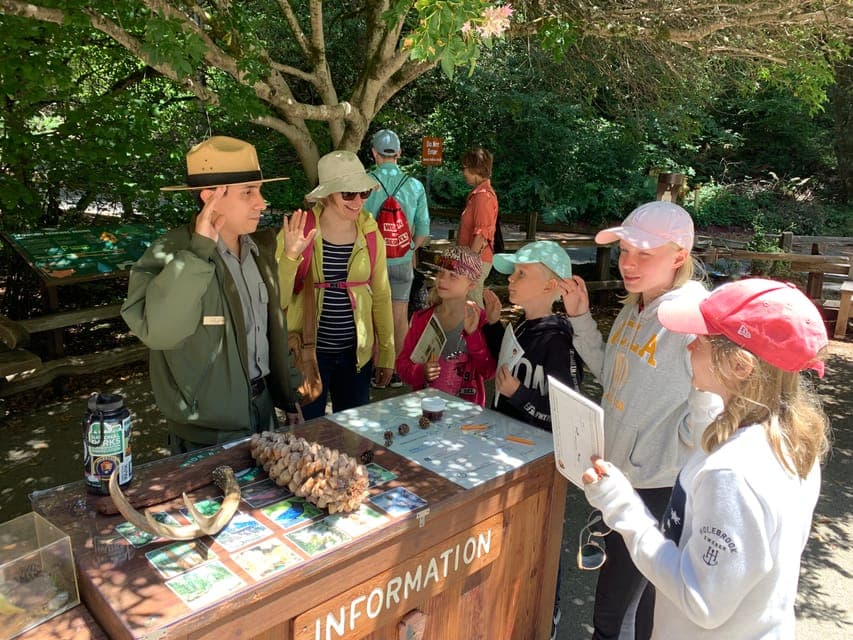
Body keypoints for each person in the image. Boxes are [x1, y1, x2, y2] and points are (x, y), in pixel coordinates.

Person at [582, 278, 830, 639]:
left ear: (740, 366)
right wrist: (701, 394)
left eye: (701, 339)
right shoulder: (791, 439)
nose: (689, 346)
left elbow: (701, 600)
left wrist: (620, 505)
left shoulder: (732, 473)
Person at [559, 201, 724, 640]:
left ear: (679, 256)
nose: (628, 264)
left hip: (658, 489)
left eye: (644, 254)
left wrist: (668, 452)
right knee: (641, 612)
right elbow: (612, 374)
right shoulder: (636, 306)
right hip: (622, 479)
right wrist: (580, 318)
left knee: (616, 617)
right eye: (625, 251)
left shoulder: (691, 317)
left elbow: (710, 416)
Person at [122, 136, 299, 453]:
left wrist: (288, 395)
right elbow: (159, 332)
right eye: (248, 192)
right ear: (210, 198)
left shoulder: (258, 248)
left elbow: (270, 328)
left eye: (259, 191)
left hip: (264, 413)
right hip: (208, 432)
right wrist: (198, 251)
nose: (262, 203)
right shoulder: (170, 252)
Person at [277, 150, 394, 420]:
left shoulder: (370, 232)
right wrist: (290, 257)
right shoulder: (298, 231)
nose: (358, 201)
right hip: (307, 355)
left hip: (356, 356)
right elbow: (276, 298)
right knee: (307, 434)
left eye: (364, 193)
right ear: (327, 194)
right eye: (348, 194)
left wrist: (387, 353)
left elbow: (381, 294)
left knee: (353, 433)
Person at [482, 240, 584, 430]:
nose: (510, 278)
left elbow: (566, 411)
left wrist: (518, 393)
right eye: (514, 271)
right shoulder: (523, 323)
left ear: (548, 286)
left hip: (535, 444)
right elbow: (509, 362)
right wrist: (493, 324)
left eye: (521, 273)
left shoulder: (558, 342)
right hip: (504, 433)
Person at [363, 129, 431, 390]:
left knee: (372, 316)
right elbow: (423, 230)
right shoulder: (415, 186)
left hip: (371, 262)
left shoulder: (365, 183)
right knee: (399, 318)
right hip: (402, 262)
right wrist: (409, 248)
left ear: (374, 153)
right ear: (399, 153)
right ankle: (396, 373)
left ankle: (375, 370)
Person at [395, 246, 495, 406]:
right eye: (440, 272)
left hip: (467, 414)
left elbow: (488, 371)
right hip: (426, 410)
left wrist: (473, 336)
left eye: (453, 275)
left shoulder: (481, 319)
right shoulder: (421, 319)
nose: (442, 279)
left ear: (471, 284)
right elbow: (402, 365)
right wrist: (420, 371)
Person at [456, 146, 498, 307]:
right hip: (473, 259)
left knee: (472, 305)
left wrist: (469, 265)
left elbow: (481, 234)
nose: (463, 172)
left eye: (464, 168)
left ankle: (482, 325)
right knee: (467, 303)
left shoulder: (483, 196)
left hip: (476, 260)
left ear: (475, 169)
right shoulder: (479, 194)